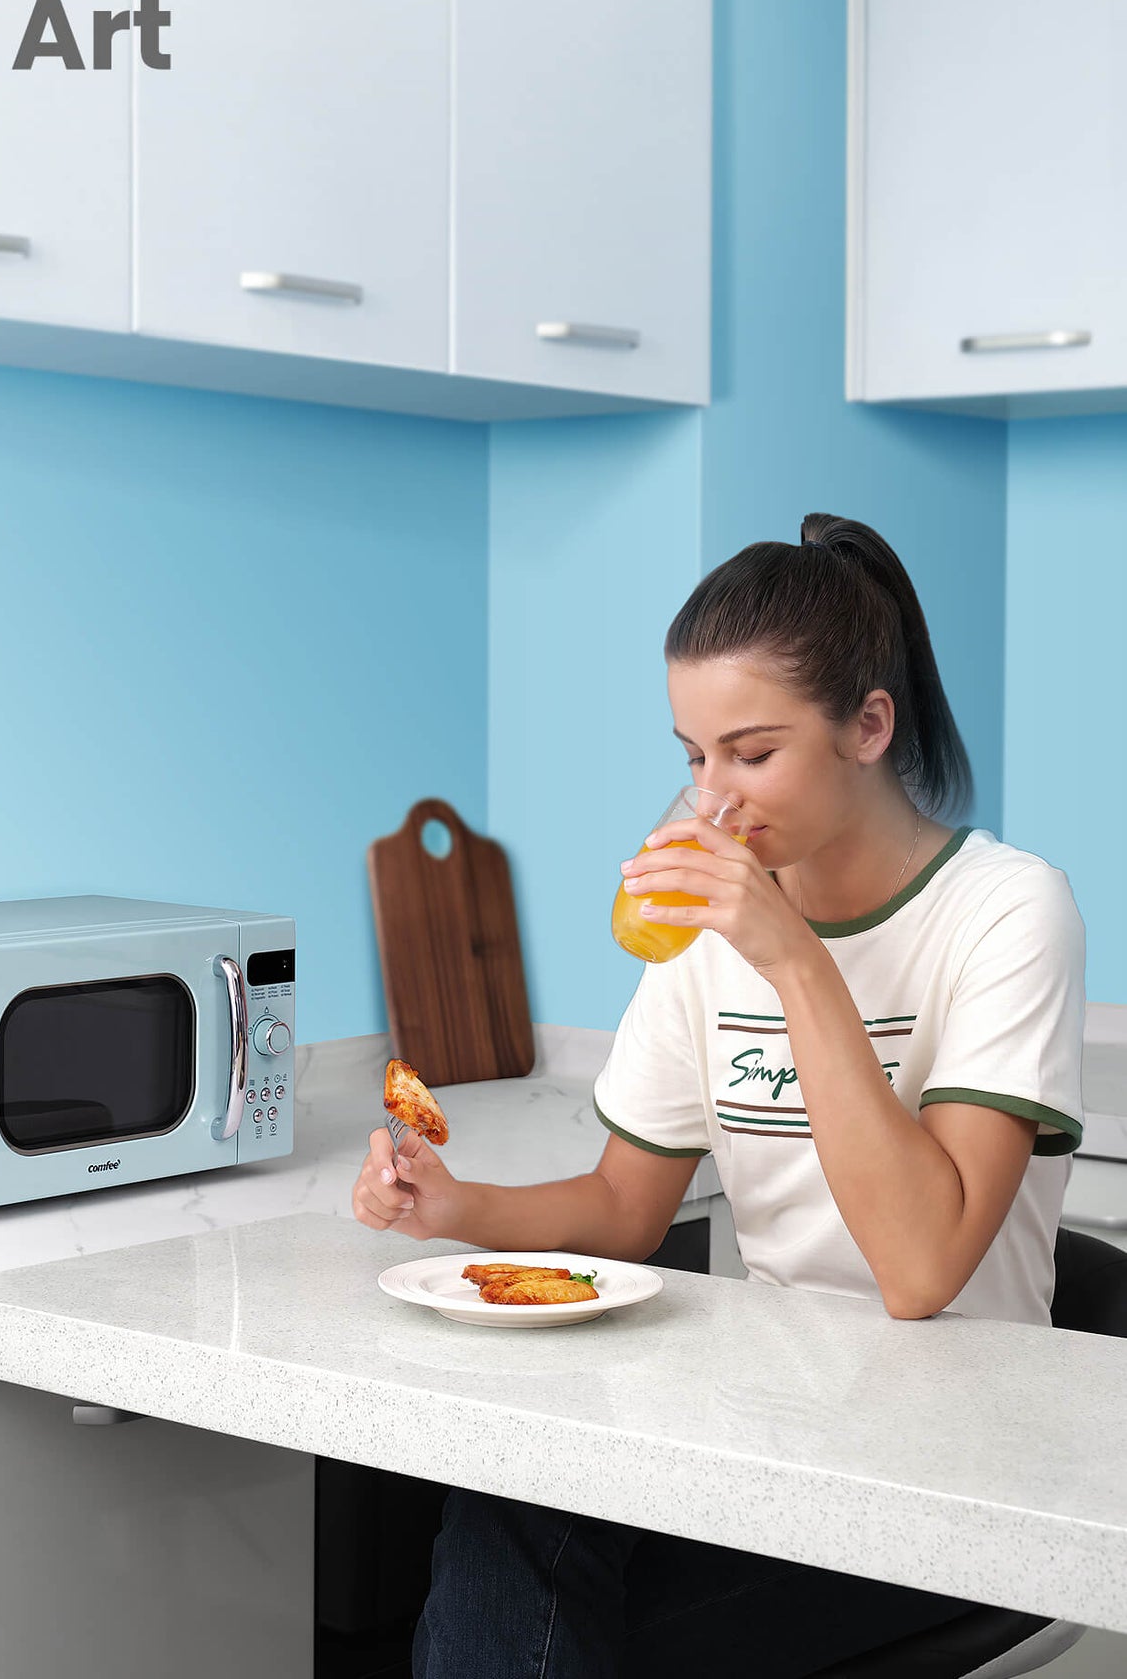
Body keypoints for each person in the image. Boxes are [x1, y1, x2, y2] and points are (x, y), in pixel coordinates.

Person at [351, 512, 1086, 1679]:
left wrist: (791, 957)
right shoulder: (704, 930)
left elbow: (921, 1267)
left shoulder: (1004, 911)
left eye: (750, 753)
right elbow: (621, 1209)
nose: (713, 796)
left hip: (956, 1477)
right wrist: (453, 1204)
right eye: (692, 756)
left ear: (867, 725)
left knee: (550, 1634)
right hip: (773, 1436)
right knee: (509, 1498)